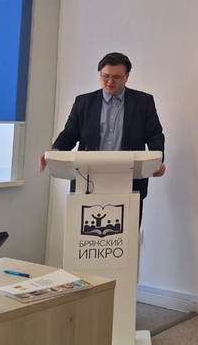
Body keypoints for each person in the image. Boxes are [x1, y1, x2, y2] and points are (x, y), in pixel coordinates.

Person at [39, 52, 165, 222]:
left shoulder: (143, 102)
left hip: (129, 180)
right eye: (105, 76)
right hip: (87, 179)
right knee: (86, 231)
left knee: (126, 231)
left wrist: (157, 160)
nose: (110, 81)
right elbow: (69, 134)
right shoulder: (83, 102)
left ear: (127, 77)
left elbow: (154, 134)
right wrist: (54, 152)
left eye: (116, 77)